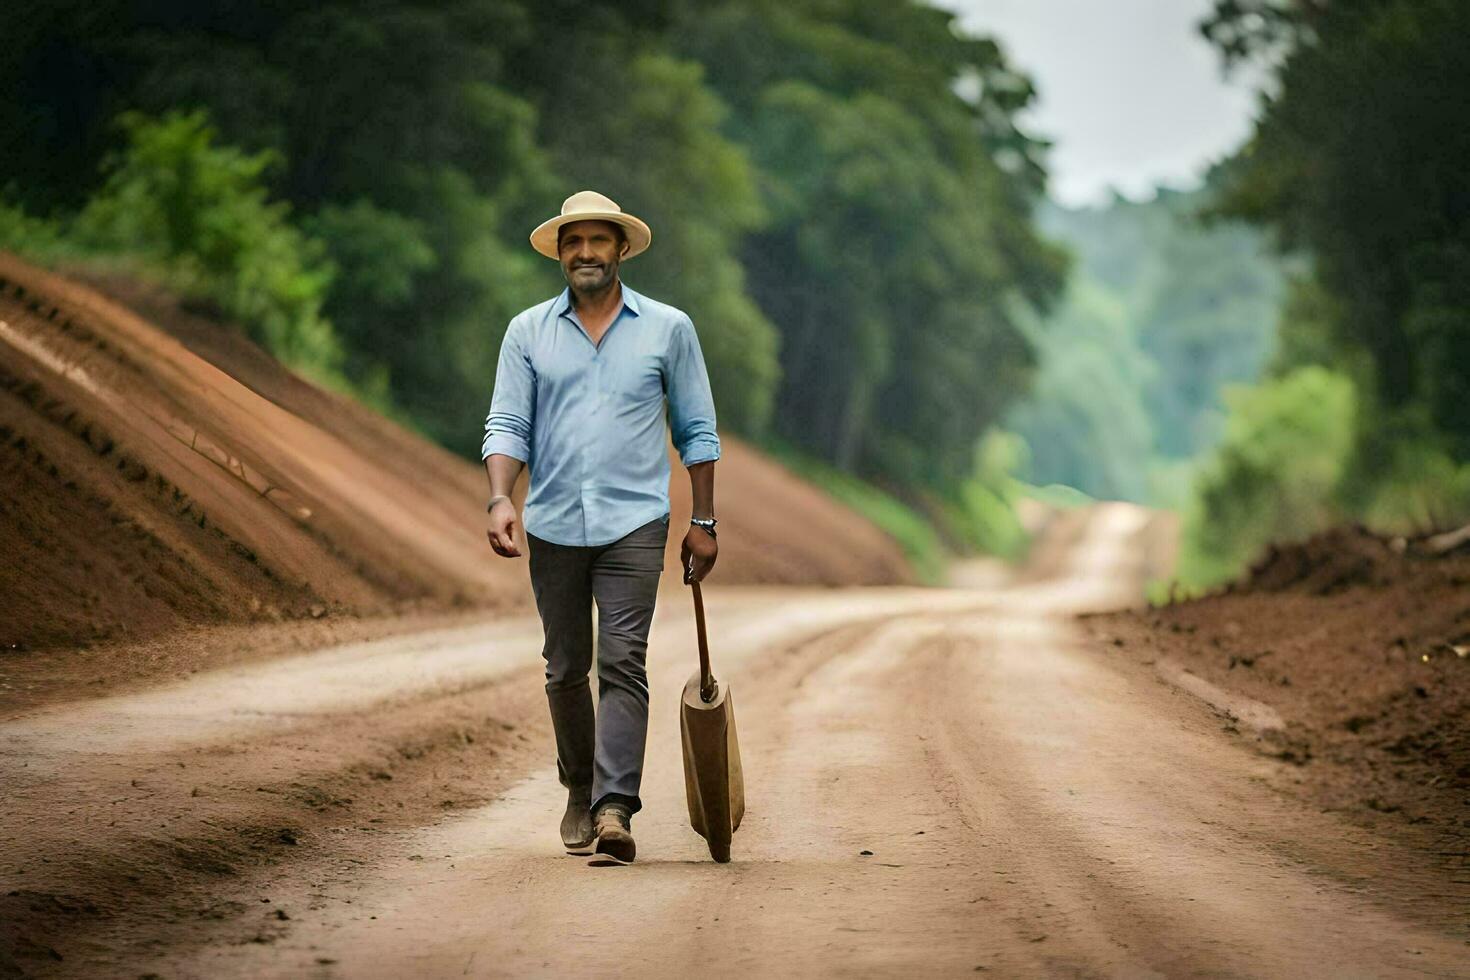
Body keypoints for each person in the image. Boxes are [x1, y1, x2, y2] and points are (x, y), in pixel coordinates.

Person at [481, 190, 721, 866]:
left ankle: (616, 807)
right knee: (564, 668)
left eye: (596, 241)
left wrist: (703, 520)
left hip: (634, 522)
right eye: (572, 242)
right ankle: (579, 787)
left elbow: (697, 429)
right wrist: (501, 498)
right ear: (561, 253)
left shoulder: (668, 329)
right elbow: (507, 425)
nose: (585, 253)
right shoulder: (527, 332)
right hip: (552, 521)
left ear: (621, 249)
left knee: (622, 662)